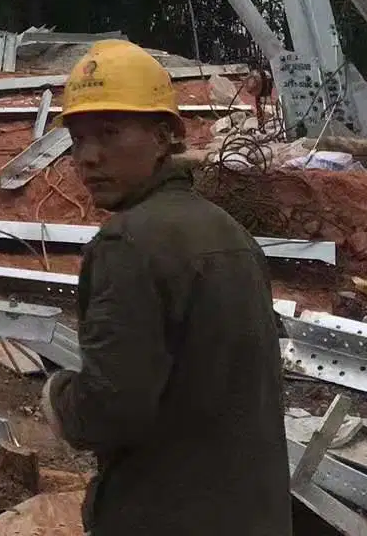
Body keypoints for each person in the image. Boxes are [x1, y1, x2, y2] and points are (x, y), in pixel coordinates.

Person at [42, 40, 291, 536]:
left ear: (163, 138)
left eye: (110, 133)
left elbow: (112, 409)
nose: (89, 157)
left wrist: (59, 399)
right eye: (78, 138)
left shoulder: (127, 244)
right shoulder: (230, 233)